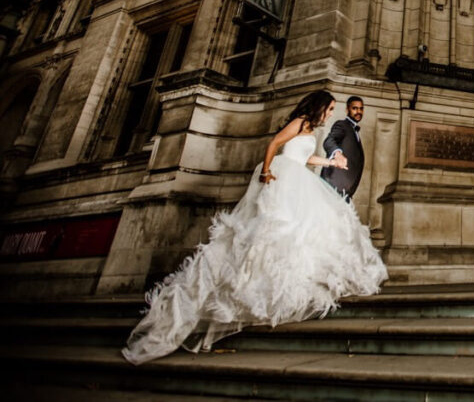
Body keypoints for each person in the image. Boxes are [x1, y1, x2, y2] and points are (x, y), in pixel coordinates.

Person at [121, 91, 387, 365]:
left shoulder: (311, 130)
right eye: (329, 108)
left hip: (298, 177)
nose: (331, 113)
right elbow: (274, 144)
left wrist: (330, 162)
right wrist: (266, 171)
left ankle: (272, 280)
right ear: (319, 107)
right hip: (283, 177)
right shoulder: (299, 121)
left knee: (296, 231)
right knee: (271, 228)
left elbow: (306, 159)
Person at [322, 96, 365, 199]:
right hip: (333, 186)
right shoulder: (341, 125)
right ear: (347, 109)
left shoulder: (355, 131)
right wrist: (337, 153)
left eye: (361, 108)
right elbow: (329, 141)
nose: (358, 111)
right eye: (354, 108)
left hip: (346, 191)